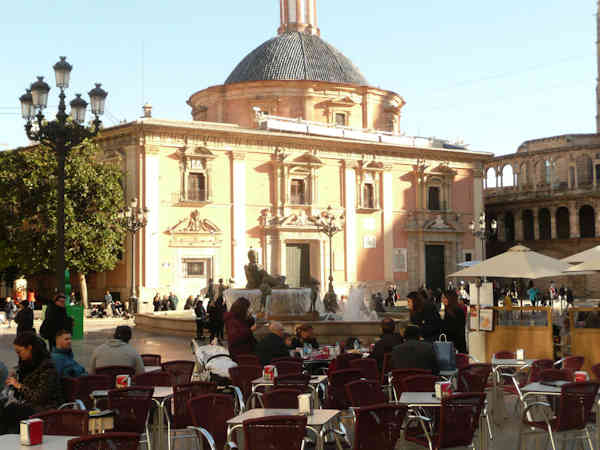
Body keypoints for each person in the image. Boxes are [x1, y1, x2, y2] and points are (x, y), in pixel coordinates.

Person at [0, 332, 64, 434]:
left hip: (46, 409)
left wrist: (18, 385)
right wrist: (15, 377)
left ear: (29, 348)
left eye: (19, 352)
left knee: (10, 411)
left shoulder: (47, 368)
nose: (19, 356)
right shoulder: (27, 364)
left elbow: (39, 397)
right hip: (29, 405)